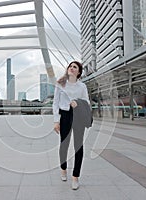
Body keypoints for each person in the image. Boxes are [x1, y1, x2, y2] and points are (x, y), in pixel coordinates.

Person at [52, 61, 90, 190]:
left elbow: (87, 102)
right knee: (64, 145)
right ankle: (63, 168)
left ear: (79, 72)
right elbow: (55, 103)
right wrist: (56, 121)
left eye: (75, 67)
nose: (71, 68)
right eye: (70, 66)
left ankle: (75, 177)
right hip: (65, 116)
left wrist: (77, 102)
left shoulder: (82, 86)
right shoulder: (60, 84)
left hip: (78, 116)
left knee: (78, 147)